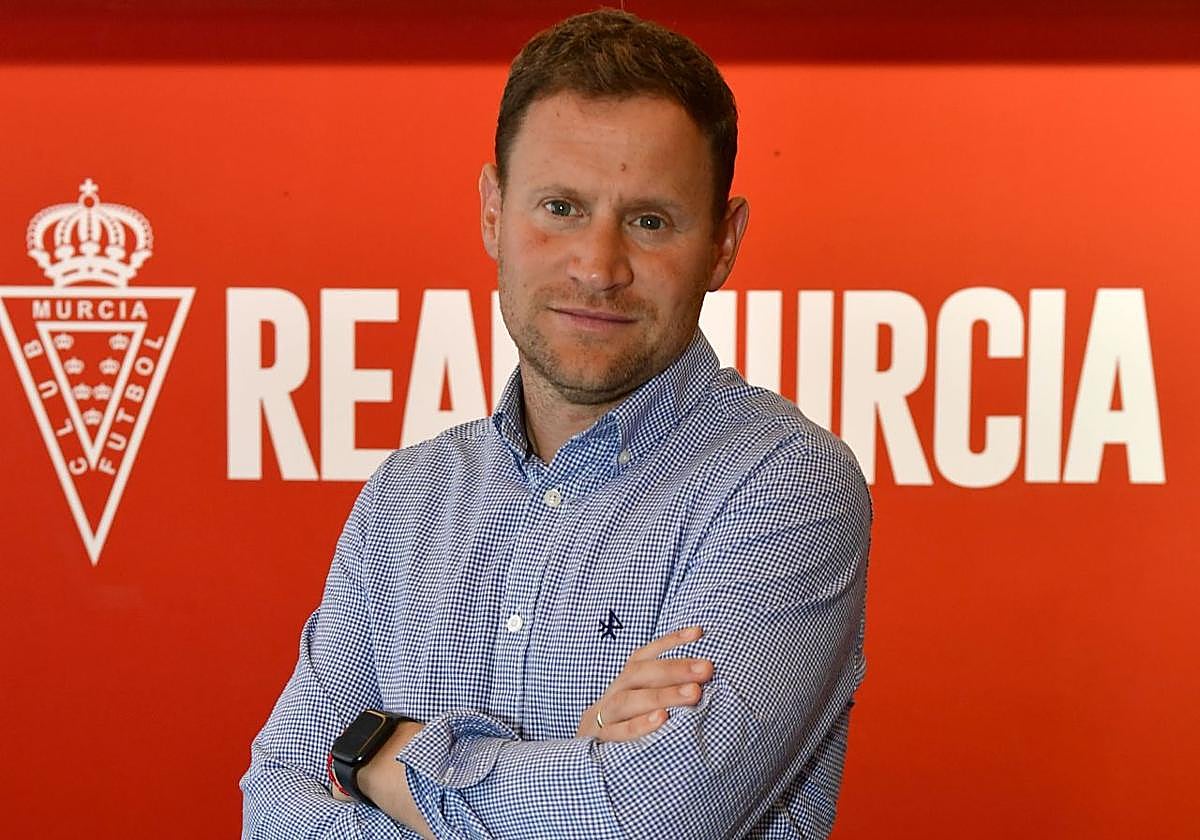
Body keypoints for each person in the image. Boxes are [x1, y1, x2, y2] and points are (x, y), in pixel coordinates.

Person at [241, 9, 871, 839]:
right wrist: (573, 766)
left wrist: (386, 763)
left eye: (649, 221)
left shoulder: (783, 485)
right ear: (493, 212)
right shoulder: (404, 498)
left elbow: (647, 818)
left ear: (723, 244)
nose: (598, 267)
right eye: (562, 207)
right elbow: (274, 807)